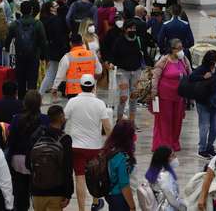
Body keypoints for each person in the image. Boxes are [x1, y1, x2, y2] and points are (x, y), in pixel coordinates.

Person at [64, 74, 112, 211]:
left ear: (80, 86)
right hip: (94, 147)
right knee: (95, 176)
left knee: (80, 178)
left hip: (76, 146)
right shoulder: (99, 104)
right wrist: (112, 142)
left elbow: (63, 120)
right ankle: (95, 203)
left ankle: (81, 209)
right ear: (93, 87)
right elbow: (107, 127)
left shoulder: (72, 102)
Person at [7, 90, 50, 211]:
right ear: (40, 104)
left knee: (20, 195)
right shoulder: (46, 120)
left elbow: (11, 142)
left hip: (18, 161)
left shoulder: (16, 119)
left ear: (24, 103)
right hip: (38, 161)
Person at [30, 105, 74, 211]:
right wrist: (68, 193)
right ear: (61, 117)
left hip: (37, 190)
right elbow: (67, 168)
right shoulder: (65, 139)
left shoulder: (37, 136)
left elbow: (29, 163)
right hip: (57, 191)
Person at [151, 39, 191, 152]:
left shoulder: (183, 60)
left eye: (181, 48)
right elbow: (155, 76)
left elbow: (189, 73)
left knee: (177, 120)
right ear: (172, 49)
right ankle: (164, 144)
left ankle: (174, 142)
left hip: (179, 96)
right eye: (178, 48)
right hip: (165, 96)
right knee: (164, 121)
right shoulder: (164, 60)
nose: (180, 50)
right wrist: (154, 91)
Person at [5, 1, 48, 99]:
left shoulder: (15, 24)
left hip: (20, 57)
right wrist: (44, 56)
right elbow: (43, 41)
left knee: (21, 81)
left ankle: (21, 102)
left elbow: (8, 39)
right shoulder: (38, 24)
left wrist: (7, 48)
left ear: (20, 10)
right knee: (32, 82)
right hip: (34, 56)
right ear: (31, 10)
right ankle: (31, 102)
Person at [110, 20, 146, 123]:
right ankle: (119, 119)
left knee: (134, 97)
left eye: (134, 28)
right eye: (130, 28)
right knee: (123, 96)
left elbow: (143, 54)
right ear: (125, 29)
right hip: (123, 71)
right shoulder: (119, 41)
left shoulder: (138, 40)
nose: (132, 30)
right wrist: (112, 63)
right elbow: (113, 54)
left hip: (136, 70)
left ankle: (132, 121)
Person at [190, 50, 216, 159]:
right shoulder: (201, 69)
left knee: (214, 127)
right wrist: (203, 77)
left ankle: (210, 147)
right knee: (204, 126)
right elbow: (191, 78)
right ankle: (202, 149)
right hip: (203, 102)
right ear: (212, 61)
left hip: (214, 101)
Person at [52, 33, 102, 98]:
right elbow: (99, 71)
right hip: (89, 90)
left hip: (73, 91)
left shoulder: (67, 57)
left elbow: (60, 75)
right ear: (82, 42)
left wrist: (55, 87)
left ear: (70, 43)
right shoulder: (92, 55)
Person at [103, 120, 137, 211]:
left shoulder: (110, 150)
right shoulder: (122, 157)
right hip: (120, 198)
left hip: (111, 194)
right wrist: (132, 206)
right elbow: (124, 185)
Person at [38, 1, 69, 95]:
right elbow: (59, 36)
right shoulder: (56, 20)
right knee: (51, 73)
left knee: (54, 72)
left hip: (50, 48)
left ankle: (50, 92)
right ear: (51, 8)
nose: (58, 7)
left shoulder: (44, 19)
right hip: (58, 50)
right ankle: (40, 94)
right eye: (56, 5)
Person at [145, 146, 186, 211]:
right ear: (165, 159)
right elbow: (172, 200)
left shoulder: (153, 172)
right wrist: (183, 208)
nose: (175, 157)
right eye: (172, 155)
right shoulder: (165, 176)